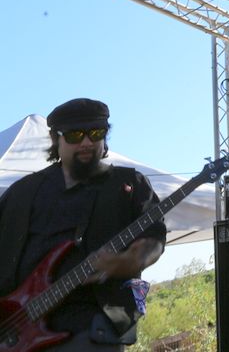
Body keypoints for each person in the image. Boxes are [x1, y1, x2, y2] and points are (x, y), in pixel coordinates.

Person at [0, 98, 165, 351]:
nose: (87, 142)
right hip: (18, 332)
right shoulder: (22, 192)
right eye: (75, 135)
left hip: (94, 328)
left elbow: (154, 237)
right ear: (55, 139)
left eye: (96, 133)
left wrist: (132, 260)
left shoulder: (129, 184)